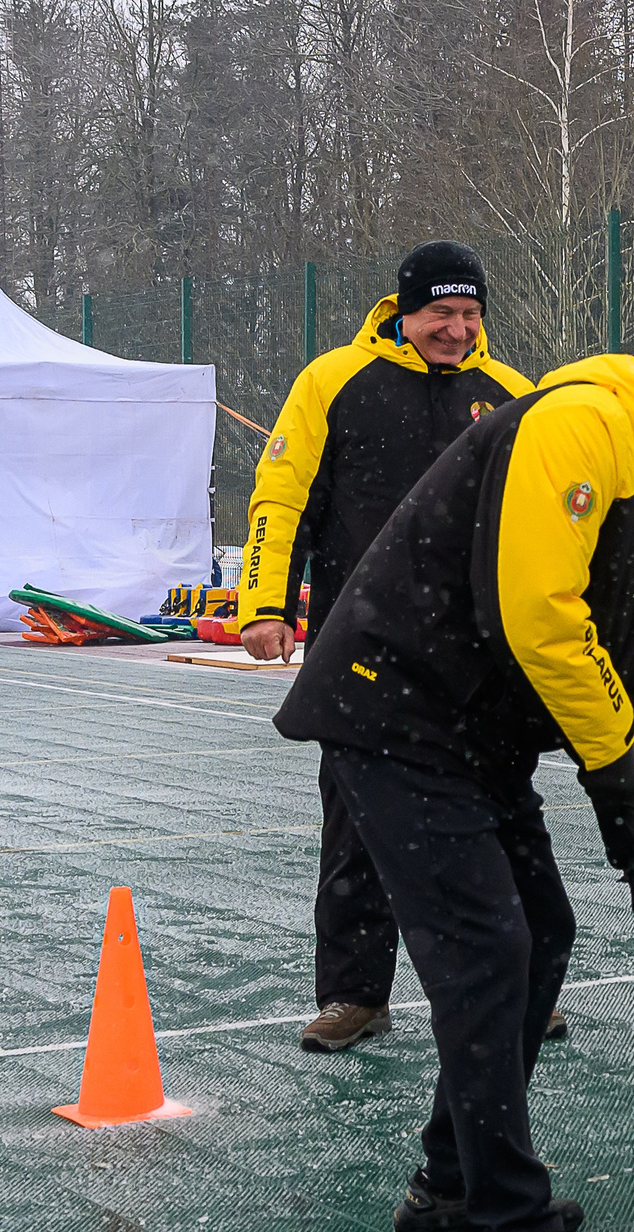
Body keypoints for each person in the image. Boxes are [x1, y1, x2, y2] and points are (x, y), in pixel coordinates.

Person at [272, 335, 634, 1232]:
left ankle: (452, 1185)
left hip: (467, 736)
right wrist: (612, 790)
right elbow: (541, 621)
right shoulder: (582, 425)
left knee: (540, 934)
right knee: (486, 953)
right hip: (398, 714)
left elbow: (627, 679)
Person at [238, 242, 537, 1056]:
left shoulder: (509, 394)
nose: (458, 329)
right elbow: (281, 494)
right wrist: (264, 604)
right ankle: (354, 994)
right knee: (358, 829)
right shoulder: (332, 381)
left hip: (479, 661)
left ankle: (523, 986)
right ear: (403, 312)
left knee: (501, 821)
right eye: (442, 313)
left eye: (471, 315)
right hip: (359, 652)